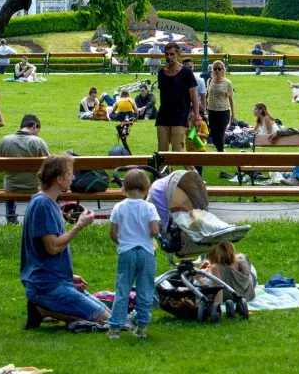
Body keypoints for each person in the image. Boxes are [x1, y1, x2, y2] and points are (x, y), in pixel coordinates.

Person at [21, 154, 111, 327]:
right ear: (59, 179)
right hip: (47, 287)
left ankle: (40, 309)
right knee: (105, 320)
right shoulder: (43, 205)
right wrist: (79, 225)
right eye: (70, 173)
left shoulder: (48, 202)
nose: (74, 177)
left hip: (56, 281)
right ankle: (42, 308)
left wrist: (69, 276)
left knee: (108, 314)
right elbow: (53, 247)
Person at [106, 169, 159, 339]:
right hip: (146, 252)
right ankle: (142, 326)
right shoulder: (149, 207)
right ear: (146, 189)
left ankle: (115, 328)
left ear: (124, 188)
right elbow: (154, 230)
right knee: (145, 290)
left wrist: (122, 242)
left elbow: (113, 233)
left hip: (126, 252)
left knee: (122, 289)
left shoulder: (119, 207)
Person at [0, 114, 50, 223]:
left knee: (8, 180)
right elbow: (50, 165)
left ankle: (11, 215)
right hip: (35, 187)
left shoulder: (5, 140)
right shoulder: (38, 142)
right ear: (34, 126)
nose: (37, 134)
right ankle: (35, 215)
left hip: (12, 187)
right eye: (38, 131)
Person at [156, 42, 201, 152]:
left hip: (179, 118)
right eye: (166, 54)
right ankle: (164, 170)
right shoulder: (161, 73)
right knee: (162, 153)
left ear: (178, 55)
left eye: (172, 54)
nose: (169, 57)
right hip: (163, 117)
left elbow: (194, 97)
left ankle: (192, 170)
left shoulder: (186, 72)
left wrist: (196, 117)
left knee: (178, 151)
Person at [205, 60, 234, 152]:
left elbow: (231, 99)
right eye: (215, 68)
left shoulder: (227, 83)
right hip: (212, 110)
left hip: (224, 110)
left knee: (220, 133)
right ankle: (221, 151)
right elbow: (207, 95)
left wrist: (233, 113)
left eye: (219, 68)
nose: (217, 70)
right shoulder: (209, 81)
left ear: (223, 70)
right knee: (213, 133)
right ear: (212, 70)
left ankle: (220, 152)